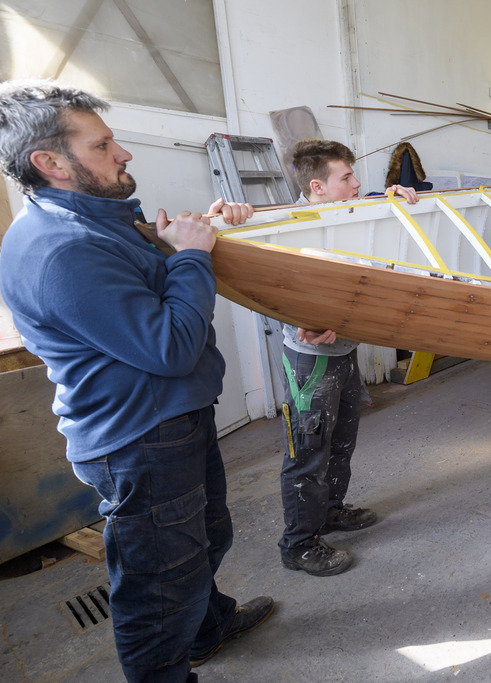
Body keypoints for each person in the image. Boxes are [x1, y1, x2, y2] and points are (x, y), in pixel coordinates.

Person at [0, 80, 272, 681]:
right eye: (102, 146)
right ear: (50, 164)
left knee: (203, 538)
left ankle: (206, 628)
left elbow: (148, 279)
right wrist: (193, 257)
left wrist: (192, 235)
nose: (123, 153)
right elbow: (169, 346)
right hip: (139, 438)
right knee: (157, 588)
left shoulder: (96, 220)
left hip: (171, 417)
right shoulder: (61, 250)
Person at [277, 139, 419, 577]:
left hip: (344, 351)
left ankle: (331, 512)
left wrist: (387, 198)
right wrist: (295, 318)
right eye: (348, 178)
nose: (358, 184)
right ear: (317, 186)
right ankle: (298, 543)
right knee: (308, 453)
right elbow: (263, 285)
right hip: (311, 360)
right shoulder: (286, 225)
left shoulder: (343, 209)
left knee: (341, 442)